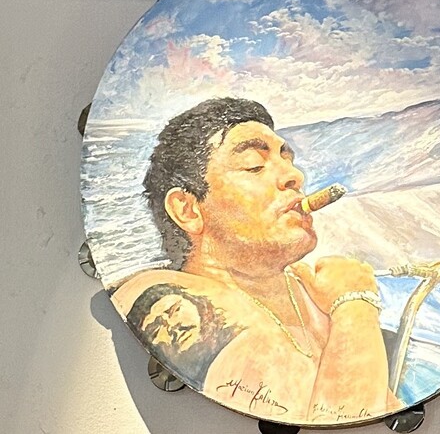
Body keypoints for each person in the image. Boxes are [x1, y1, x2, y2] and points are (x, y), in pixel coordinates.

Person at [112, 97, 402, 423]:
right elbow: (343, 422)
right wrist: (355, 305)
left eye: (287, 158)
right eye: (254, 165)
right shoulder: (168, 297)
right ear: (188, 209)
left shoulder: (312, 292)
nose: (295, 175)